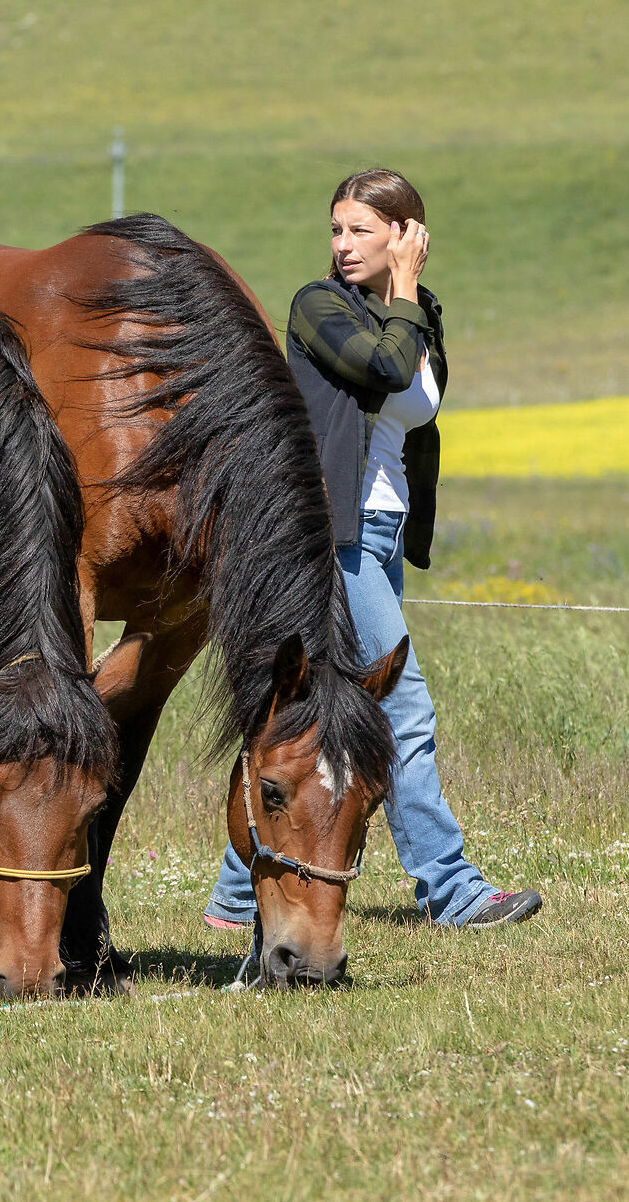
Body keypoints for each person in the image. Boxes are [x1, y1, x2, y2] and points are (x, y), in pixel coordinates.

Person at [204, 168, 543, 931]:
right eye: (336, 229)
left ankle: (233, 896)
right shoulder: (320, 307)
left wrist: (413, 300)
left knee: (320, 713)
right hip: (336, 533)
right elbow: (384, 370)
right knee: (403, 710)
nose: (343, 243)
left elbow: (408, 423)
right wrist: (409, 292)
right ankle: (452, 890)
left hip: (380, 535)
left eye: (361, 228)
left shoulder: (416, 315)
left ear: (407, 232)